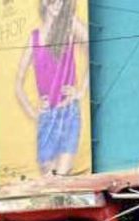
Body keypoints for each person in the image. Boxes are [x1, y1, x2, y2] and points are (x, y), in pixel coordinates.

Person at [15, 0, 89, 176]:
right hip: (47, 118)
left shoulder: (70, 25)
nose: (58, 6)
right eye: (53, 2)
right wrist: (34, 112)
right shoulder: (34, 38)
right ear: (44, 4)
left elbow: (93, 48)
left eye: (61, 3)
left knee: (61, 178)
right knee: (48, 178)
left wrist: (80, 91)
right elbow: (18, 82)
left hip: (68, 112)